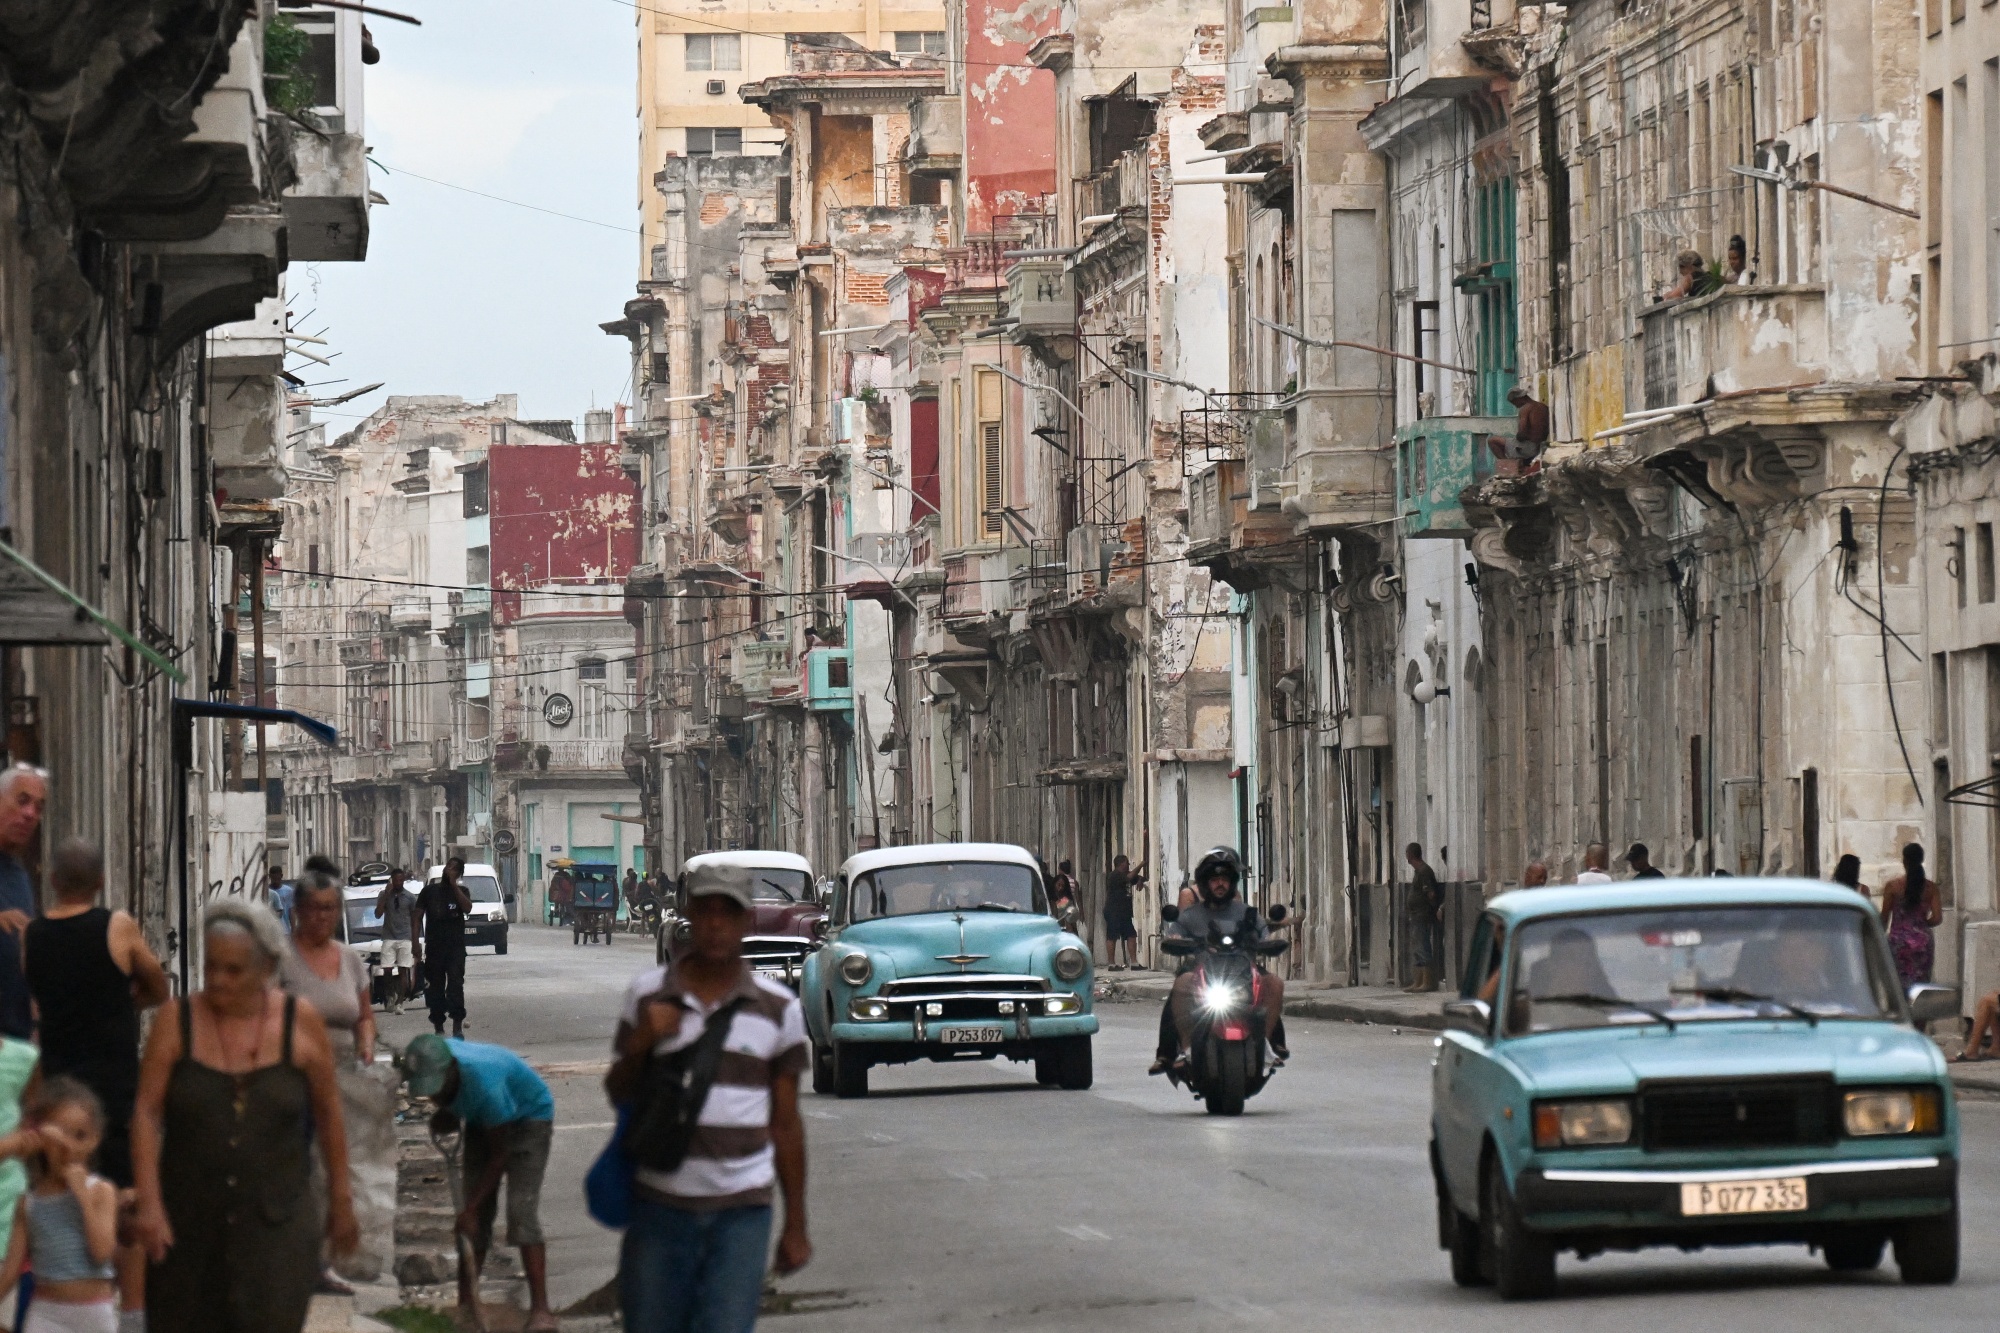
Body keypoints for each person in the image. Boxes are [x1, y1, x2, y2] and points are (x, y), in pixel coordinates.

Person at [131, 898, 357, 1333]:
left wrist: (341, 1201)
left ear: (267, 967)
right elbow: (146, 1112)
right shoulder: (176, 1021)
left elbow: (329, 1115)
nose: (218, 980)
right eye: (212, 967)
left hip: (277, 1226)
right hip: (186, 1226)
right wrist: (149, 1203)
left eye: (234, 970)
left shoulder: (299, 1022)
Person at [609, 862, 811, 1333]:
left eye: (728, 912)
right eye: (705, 911)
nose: (716, 924)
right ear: (687, 916)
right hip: (660, 1204)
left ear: (745, 919)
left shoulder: (778, 1008)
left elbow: (786, 1123)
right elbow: (618, 1092)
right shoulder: (647, 995)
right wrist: (643, 1042)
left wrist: (796, 1224)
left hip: (742, 1209)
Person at [25, 839, 169, 1327]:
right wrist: (125, 1004)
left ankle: (69, 1305)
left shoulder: (33, 936)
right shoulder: (117, 926)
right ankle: (132, 1316)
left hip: (60, 1092)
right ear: (101, 882)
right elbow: (157, 983)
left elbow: (38, 999)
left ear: (52, 881)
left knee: (61, 1194)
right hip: (113, 1088)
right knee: (125, 1201)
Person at [401, 1035, 558, 1332]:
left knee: (520, 1211)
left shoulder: (485, 1085)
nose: (434, 1096)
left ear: (452, 1070)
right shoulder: (433, 1054)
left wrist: (470, 1208)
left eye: (437, 1088)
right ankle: (467, 1306)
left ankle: (541, 1309)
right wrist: (448, 1111)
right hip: (483, 1119)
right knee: (474, 1224)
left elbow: (500, 1155)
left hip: (528, 1119)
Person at [0, 1079, 119, 1333]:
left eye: (80, 1136)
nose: (69, 1147)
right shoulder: (29, 1203)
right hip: (47, 1313)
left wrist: (82, 1197)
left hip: (94, 1315)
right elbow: (10, 1273)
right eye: (60, 1135)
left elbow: (102, 1252)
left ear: (94, 1139)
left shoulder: (101, 1191)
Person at [1157, 848, 1288, 1073]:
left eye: (1225, 879)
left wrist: (1268, 943)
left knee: (1274, 983)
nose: (1220, 884)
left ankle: (1265, 1044)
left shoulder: (1248, 913)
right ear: (1205, 883)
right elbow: (1174, 933)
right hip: (1203, 969)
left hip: (1243, 969)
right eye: (1214, 879)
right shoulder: (1190, 915)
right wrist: (1175, 940)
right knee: (1181, 982)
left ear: (1232, 883)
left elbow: (1264, 936)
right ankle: (1186, 1049)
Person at [0, 765, 47, 1044]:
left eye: (39, 808)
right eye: (22, 801)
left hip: (16, 1047)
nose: (30, 814)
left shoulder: (18, 876)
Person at [419, 858, 473, 1038]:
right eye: (449, 866)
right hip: (434, 947)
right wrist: (415, 943)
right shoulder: (429, 891)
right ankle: (438, 1026)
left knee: (456, 985)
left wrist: (454, 886)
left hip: (455, 948)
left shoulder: (462, 891)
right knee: (435, 987)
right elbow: (417, 916)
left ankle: (457, 1025)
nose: (450, 870)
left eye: (455, 869)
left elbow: (467, 908)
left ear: (459, 874)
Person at [1880, 843, 1942, 986]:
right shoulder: (1931, 888)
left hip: (1898, 942)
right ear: (1921, 860)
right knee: (1921, 985)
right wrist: (1920, 924)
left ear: (1904, 861)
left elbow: (1884, 917)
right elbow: (1937, 918)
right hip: (1923, 942)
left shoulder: (1892, 887)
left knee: (1898, 985)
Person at [376, 868, 420, 1015]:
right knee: (387, 970)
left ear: (404, 881)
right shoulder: (384, 895)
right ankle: (390, 995)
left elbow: (415, 919)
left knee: (403, 970)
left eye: (401, 880)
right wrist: (386, 894)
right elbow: (378, 914)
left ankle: (400, 1002)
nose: (398, 883)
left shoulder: (410, 897)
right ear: (392, 880)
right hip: (388, 936)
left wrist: (415, 941)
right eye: (396, 880)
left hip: (405, 937)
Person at [1403, 843, 1442, 994]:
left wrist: (1429, 909)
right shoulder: (1418, 872)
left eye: (1407, 853)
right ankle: (1418, 981)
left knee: (1423, 946)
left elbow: (1431, 893)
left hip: (1422, 915)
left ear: (1411, 855)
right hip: (1415, 915)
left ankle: (1428, 982)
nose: (1406, 857)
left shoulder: (1425, 871)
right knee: (1417, 948)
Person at [1489, 386, 1550, 473]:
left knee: (1492, 441)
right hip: (1540, 446)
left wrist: (1517, 438)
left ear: (1519, 399)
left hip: (1528, 448)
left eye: (1514, 403)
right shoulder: (1543, 407)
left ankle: (1510, 467)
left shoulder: (1525, 409)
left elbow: (1522, 434)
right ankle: (1517, 465)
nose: (1516, 406)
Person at [1101, 856, 1142, 971]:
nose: (1128, 865)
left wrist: (1139, 880)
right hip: (1113, 910)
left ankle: (1134, 963)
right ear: (1121, 864)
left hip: (1124, 911)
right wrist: (1141, 865)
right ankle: (1111, 964)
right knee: (1112, 936)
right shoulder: (1115, 875)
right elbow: (1129, 877)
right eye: (1126, 863)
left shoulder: (1125, 875)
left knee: (1131, 935)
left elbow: (1137, 877)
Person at [266, 864, 294, 932]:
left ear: (281, 876)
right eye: (273, 879)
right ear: (269, 877)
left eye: (277, 879)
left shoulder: (288, 891)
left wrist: (293, 929)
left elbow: (291, 911)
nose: (275, 881)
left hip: (285, 929)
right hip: (270, 929)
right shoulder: (267, 892)